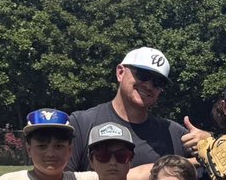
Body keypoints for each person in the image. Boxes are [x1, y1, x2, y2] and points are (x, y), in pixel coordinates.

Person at [66, 47, 198, 172]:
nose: (149, 85)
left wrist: (209, 141)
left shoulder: (174, 135)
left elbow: (212, 169)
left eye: (158, 82)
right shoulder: (81, 124)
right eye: (143, 75)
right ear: (120, 72)